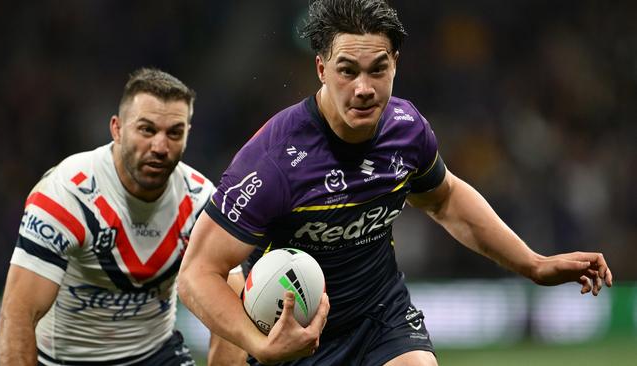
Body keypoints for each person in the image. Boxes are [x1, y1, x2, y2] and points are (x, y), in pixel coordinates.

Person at [177, 0, 613, 365]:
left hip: (378, 316)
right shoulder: (272, 162)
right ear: (321, 69)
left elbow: (446, 201)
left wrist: (532, 265)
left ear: (395, 65)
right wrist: (258, 345)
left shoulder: (406, 129)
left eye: (377, 70)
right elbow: (196, 274)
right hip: (288, 325)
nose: (364, 88)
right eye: (347, 71)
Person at [0, 68, 247, 366]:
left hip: (156, 357)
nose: (160, 147)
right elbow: (18, 314)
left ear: (188, 135)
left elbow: (231, 310)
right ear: (116, 129)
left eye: (174, 133)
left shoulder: (201, 202)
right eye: (147, 130)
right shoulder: (65, 195)